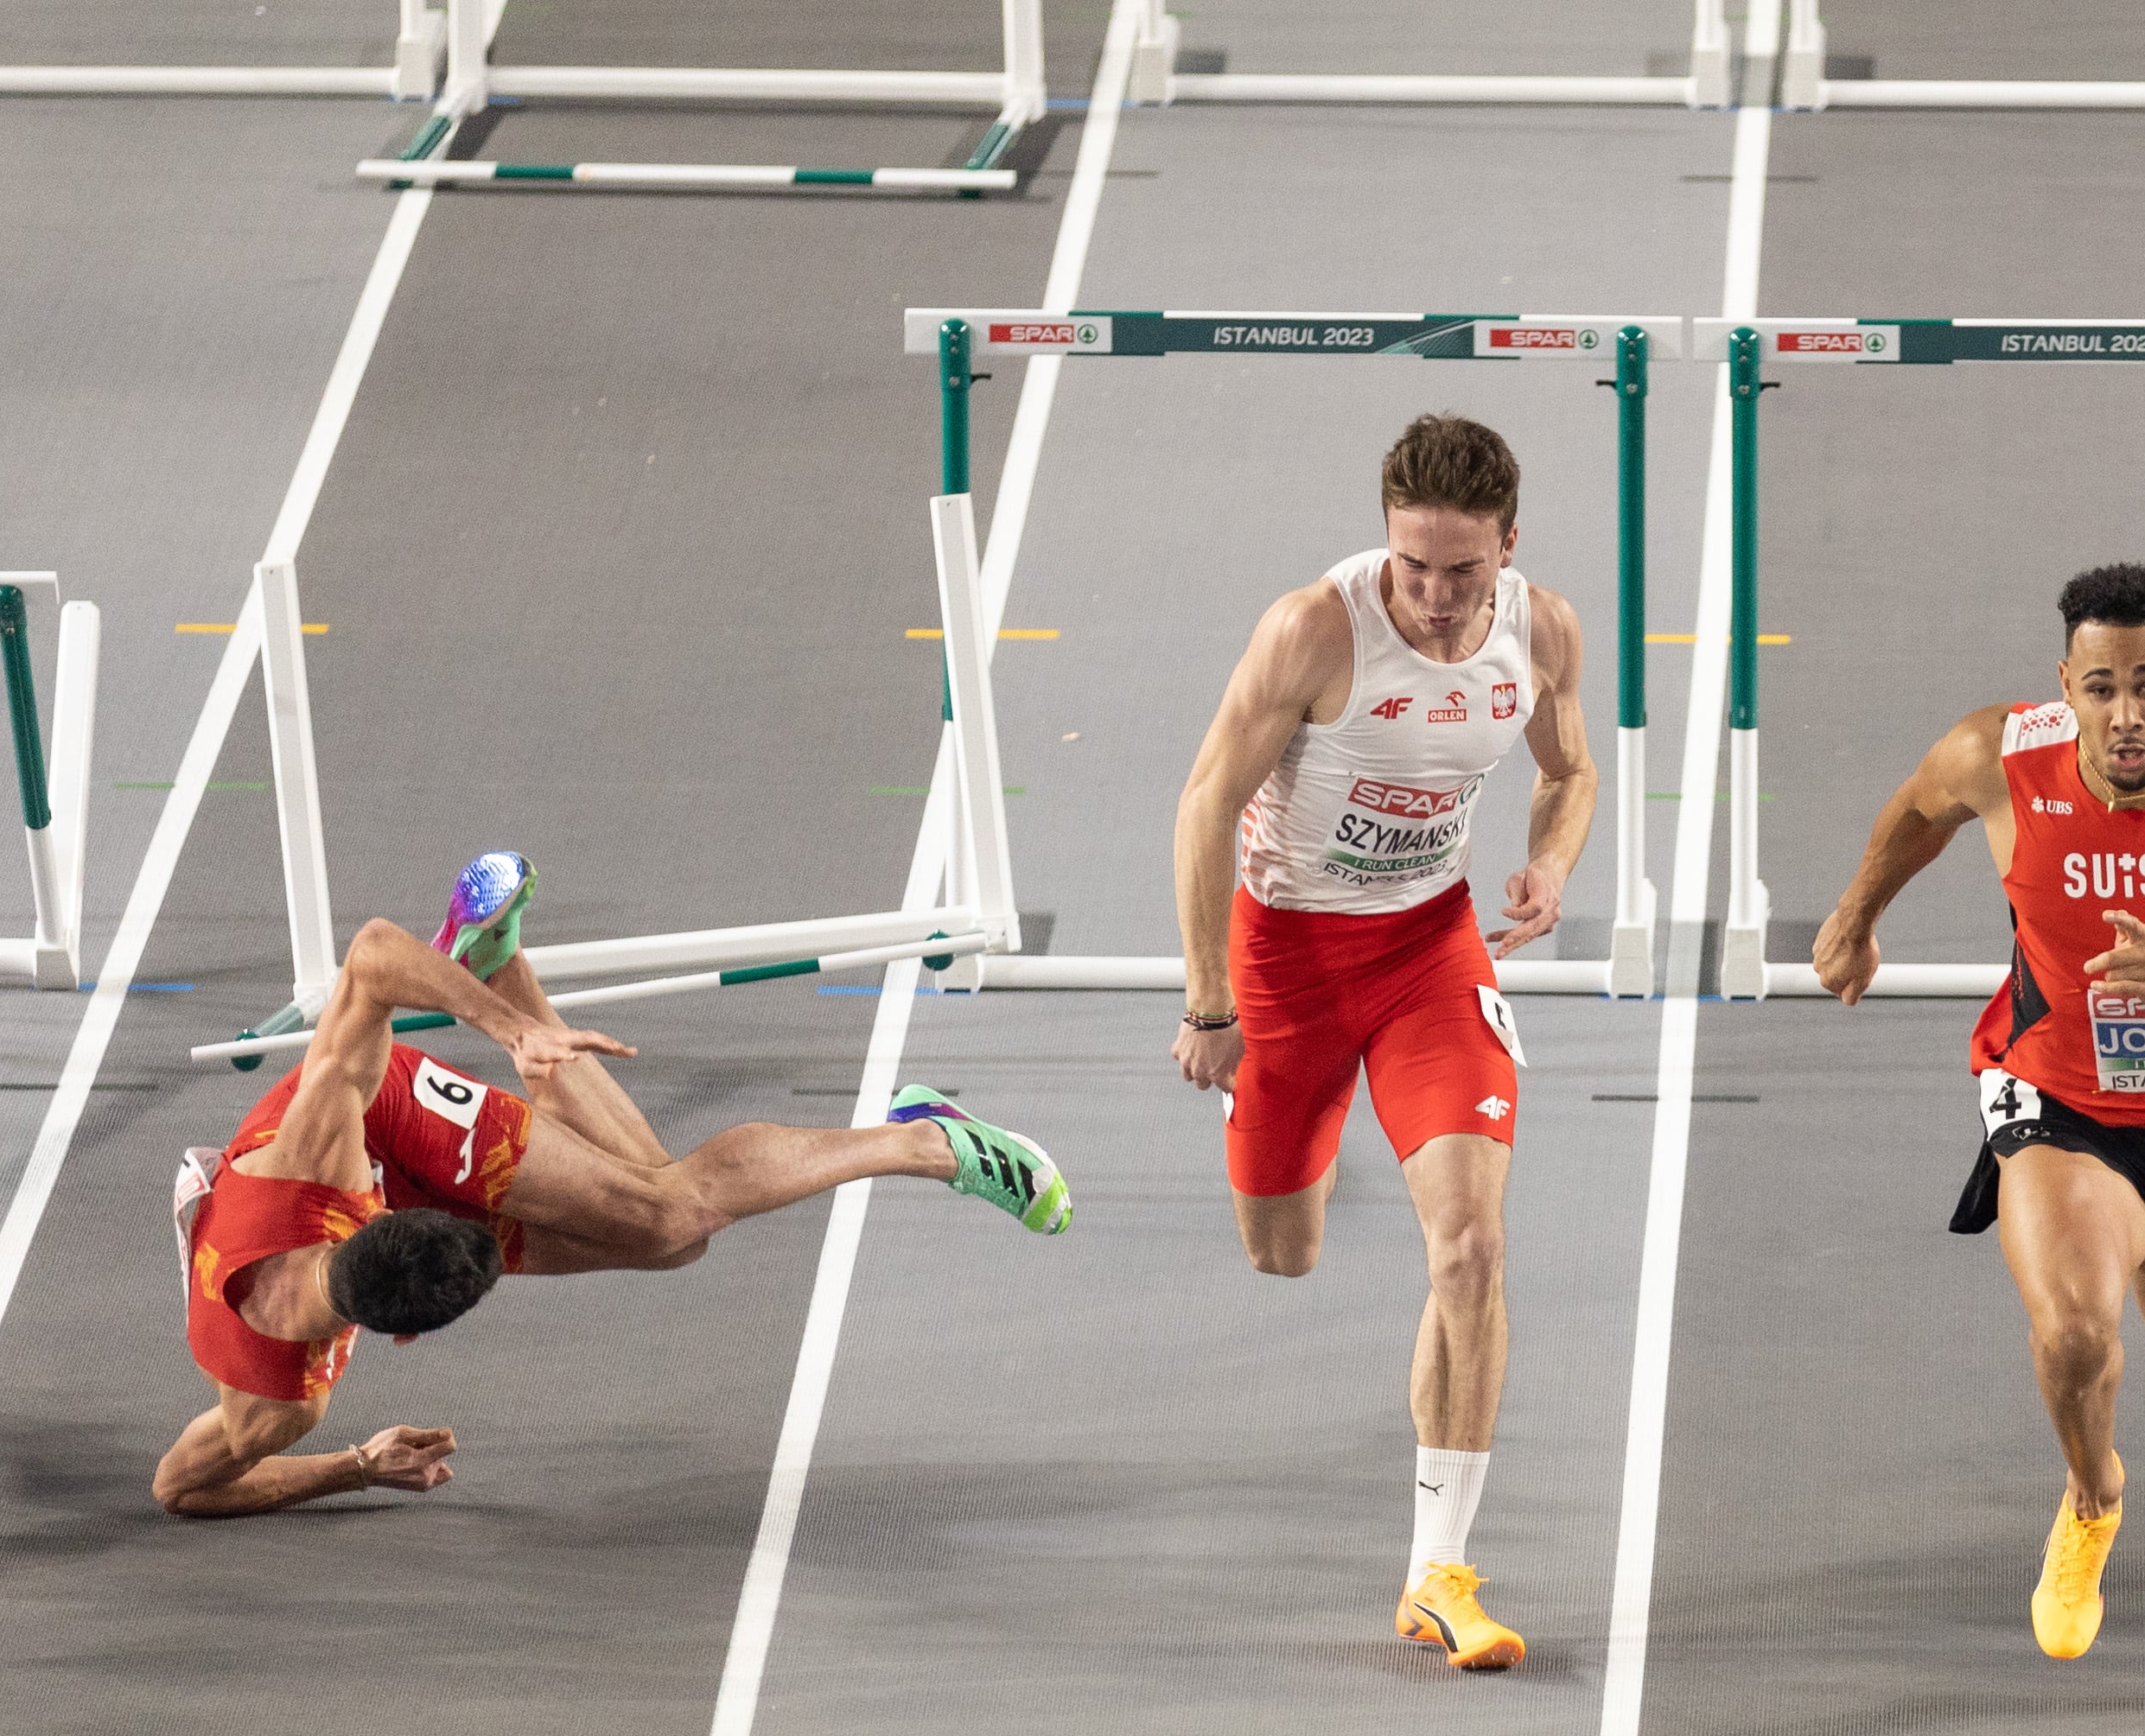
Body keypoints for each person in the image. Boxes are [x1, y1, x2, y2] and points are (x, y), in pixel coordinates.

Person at [156, 852, 1069, 1517]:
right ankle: (500, 960)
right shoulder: (280, 1402)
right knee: (669, 1236)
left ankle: (925, 1142)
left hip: (388, 1117)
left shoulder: (316, 1155)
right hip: (370, 1208)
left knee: (673, 1209)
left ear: (365, 1215)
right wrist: (354, 1464)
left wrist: (507, 1035)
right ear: (392, 1328)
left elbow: (373, 954)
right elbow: (182, 1488)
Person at [1810, 563, 2145, 1716]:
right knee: (2075, 1332)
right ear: (2068, 688)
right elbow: (1913, 813)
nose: (2128, 714)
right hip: (2058, 1101)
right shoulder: (1998, 757)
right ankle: (2092, 1493)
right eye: (2103, 688)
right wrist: (1853, 919)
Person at [1167, 414, 1597, 1671]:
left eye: (1462, 569)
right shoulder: (1314, 628)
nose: (1434, 595)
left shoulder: (1544, 629)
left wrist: (1552, 864)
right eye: (1413, 564)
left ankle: (1437, 1570)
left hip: (1427, 956)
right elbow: (1202, 803)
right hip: (1286, 965)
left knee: (1467, 1246)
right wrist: (1209, 1004)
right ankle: (1319, 1124)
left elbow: (1569, 770)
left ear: (1506, 548)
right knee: (1281, 1253)